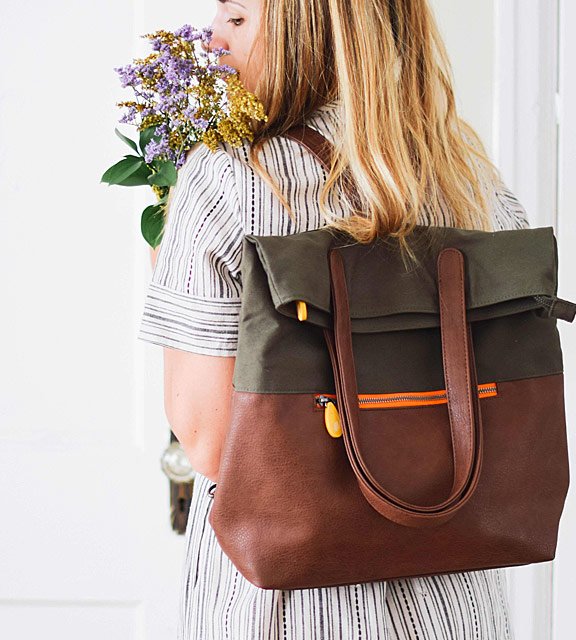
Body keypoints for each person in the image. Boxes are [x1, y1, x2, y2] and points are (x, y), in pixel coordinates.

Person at [138, 0, 530, 637]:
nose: (210, 37)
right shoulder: (469, 176)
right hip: (453, 591)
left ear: (307, 28)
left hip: (285, 602)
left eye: (237, 18)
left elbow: (208, 439)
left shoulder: (228, 177)